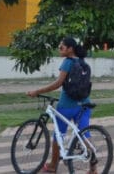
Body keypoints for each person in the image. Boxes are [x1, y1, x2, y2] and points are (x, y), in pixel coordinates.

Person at [26, 37, 95, 173]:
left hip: (67, 106)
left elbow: (57, 84)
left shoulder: (68, 62)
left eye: (62, 47)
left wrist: (37, 91)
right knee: (84, 135)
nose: (59, 49)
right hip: (85, 104)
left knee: (59, 135)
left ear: (70, 49)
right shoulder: (82, 62)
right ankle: (94, 168)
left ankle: (52, 165)